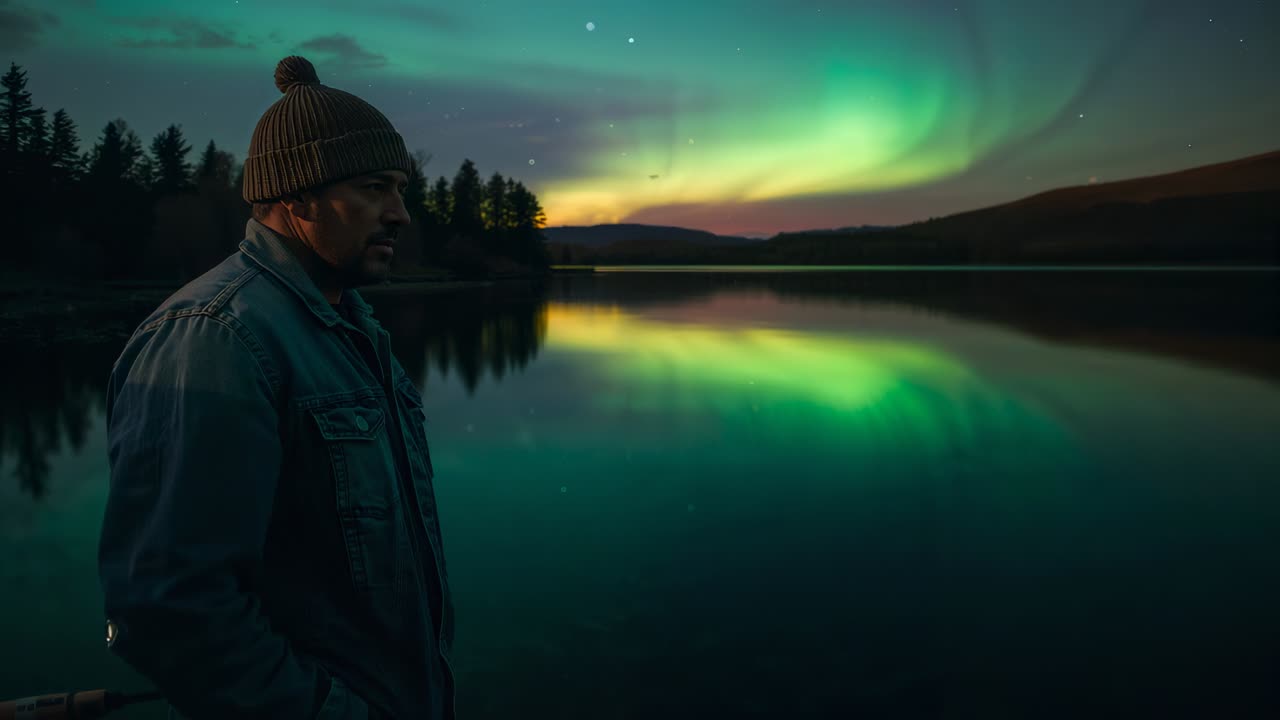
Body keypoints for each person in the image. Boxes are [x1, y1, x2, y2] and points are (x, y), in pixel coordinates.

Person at [97, 56, 455, 719]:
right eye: (375, 188)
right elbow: (171, 610)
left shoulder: (351, 330)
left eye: (401, 189)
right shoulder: (215, 340)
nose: (401, 214)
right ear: (297, 195)